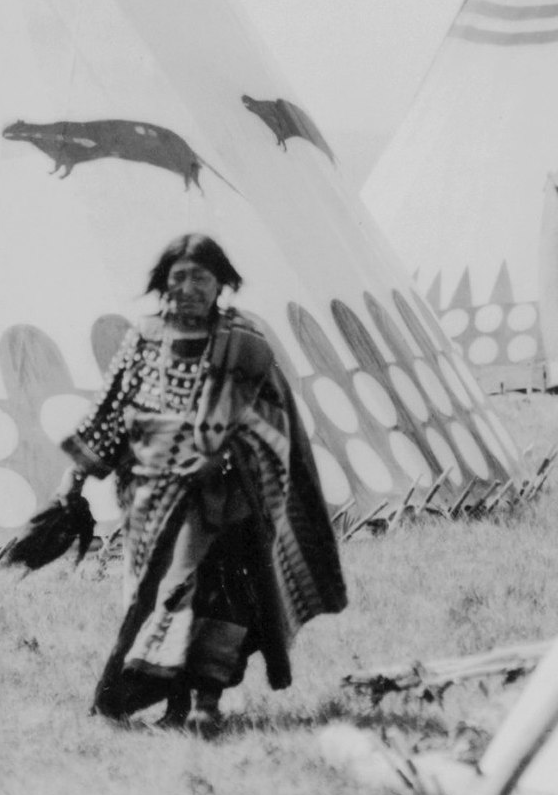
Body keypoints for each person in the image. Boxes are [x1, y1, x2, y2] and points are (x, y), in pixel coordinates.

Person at [57, 232, 347, 734]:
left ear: (222, 285)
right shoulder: (142, 338)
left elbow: (274, 422)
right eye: (179, 277)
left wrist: (225, 456)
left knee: (220, 599)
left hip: (226, 500)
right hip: (150, 499)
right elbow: (110, 412)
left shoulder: (247, 345)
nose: (190, 287)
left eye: (202, 277)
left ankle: (205, 701)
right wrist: (75, 475)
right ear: (163, 284)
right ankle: (169, 701)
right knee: (161, 598)